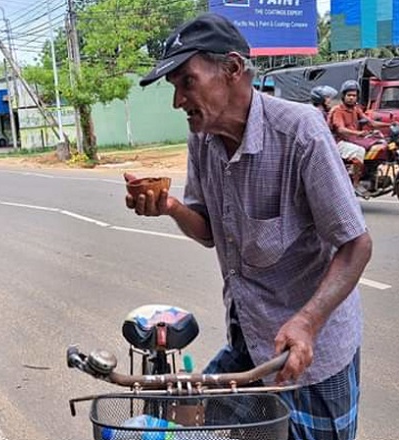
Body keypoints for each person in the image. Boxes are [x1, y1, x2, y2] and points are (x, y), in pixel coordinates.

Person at [128, 13, 372, 440]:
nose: (178, 101)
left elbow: (356, 245)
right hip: (250, 339)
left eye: (188, 82)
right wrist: (169, 207)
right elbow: (208, 230)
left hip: (312, 354)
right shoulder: (201, 139)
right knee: (186, 421)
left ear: (234, 69)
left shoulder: (301, 133)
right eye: (174, 88)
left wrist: (307, 322)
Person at [328, 80, 390, 193]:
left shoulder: (356, 109)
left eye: (354, 96)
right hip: (339, 142)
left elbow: (371, 122)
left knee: (379, 144)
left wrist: (390, 125)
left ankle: (370, 173)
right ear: (343, 96)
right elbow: (341, 129)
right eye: (349, 95)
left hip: (353, 140)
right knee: (359, 151)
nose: (351, 98)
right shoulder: (338, 110)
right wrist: (358, 133)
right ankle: (355, 184)